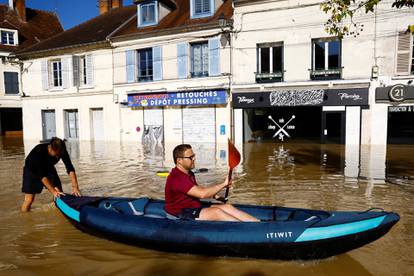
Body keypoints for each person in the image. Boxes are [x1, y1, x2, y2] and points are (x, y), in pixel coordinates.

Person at [165, 144, 259, 222]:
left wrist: (216, 197)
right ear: (179, 160)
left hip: (192, 207)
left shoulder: (189, 173)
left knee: (228, 207)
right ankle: (248, 230)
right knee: (216, 212)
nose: (194, 159)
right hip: (180, 213)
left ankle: (258, 225)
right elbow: (202, 194)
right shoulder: (177, 177)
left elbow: (196, 189)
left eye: (194, 156)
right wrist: (224, 184)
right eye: (190, 157)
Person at [21, 137, 81, 212]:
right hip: (31, 171)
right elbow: (42, 176)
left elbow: (69, 167)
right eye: (56, 154)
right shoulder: (38, 152)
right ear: (50, 148)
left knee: (59, 193)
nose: (58, 157)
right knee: (29, 200)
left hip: (48, 167)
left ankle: (58, 210)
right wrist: (53, 191)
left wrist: (75, 187)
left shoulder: (61, 150)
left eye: (59, 154)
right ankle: (25, 216)